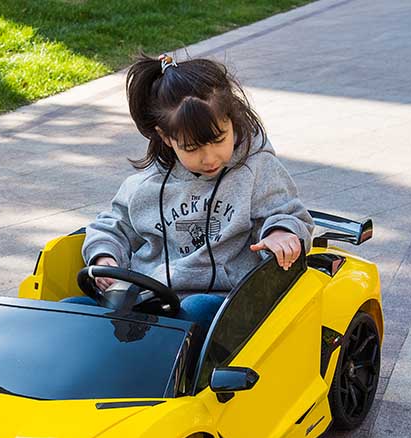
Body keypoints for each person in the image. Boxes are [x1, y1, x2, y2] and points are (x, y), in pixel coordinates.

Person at [69, 53, 313, 335]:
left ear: (231, 120)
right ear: (166, 138)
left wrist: (281, 232)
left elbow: (288, 212)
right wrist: (104, 257)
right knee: (70, 310)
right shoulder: (145, 185)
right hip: (148, 299)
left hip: (222, 301)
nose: (209, 157)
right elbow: (112, 227)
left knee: (196, 309)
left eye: (219, 139)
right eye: (192, 147)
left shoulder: (257, 169)